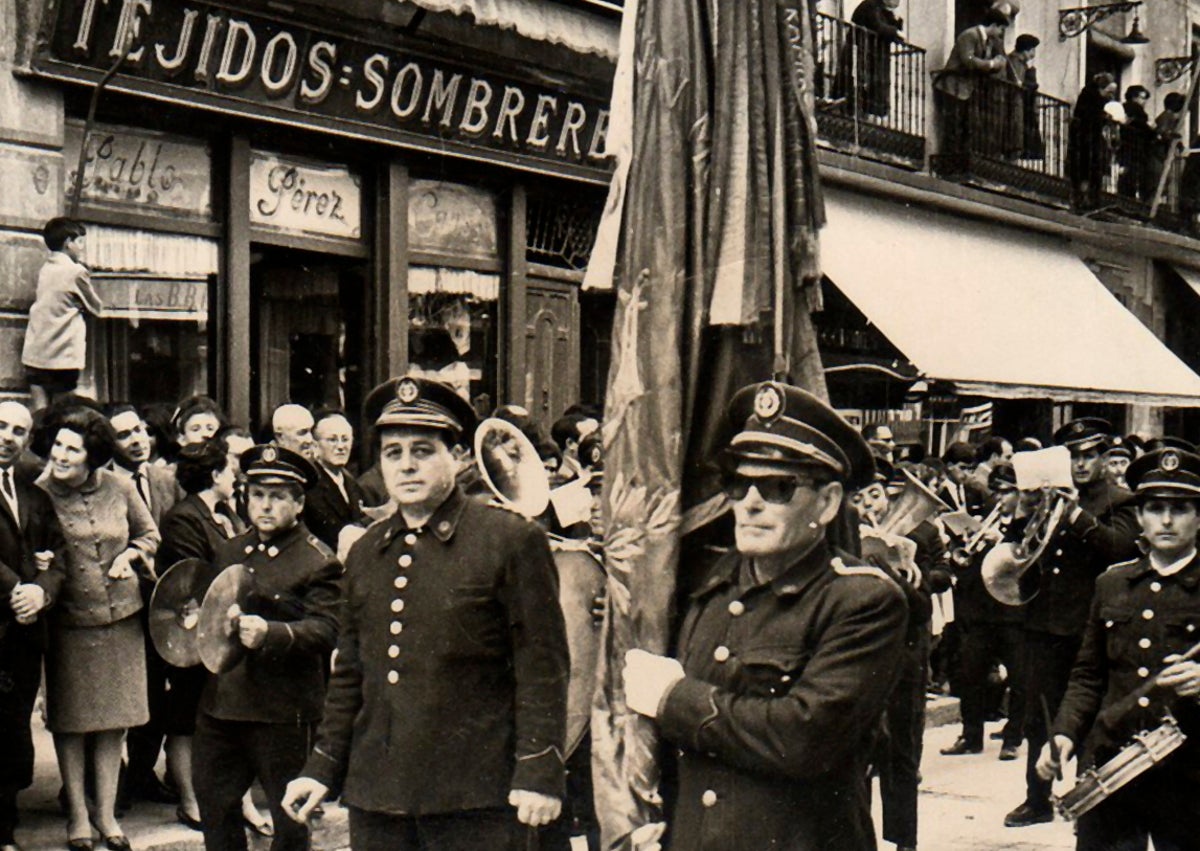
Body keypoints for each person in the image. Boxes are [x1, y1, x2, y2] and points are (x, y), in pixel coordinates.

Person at [619, 381, 908, 850]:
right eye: (738, 483)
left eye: (777, 486)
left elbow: (802, 738)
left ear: (829, 501)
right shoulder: (704, 585)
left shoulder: (861, 601)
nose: (749, 502)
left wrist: (675, 699)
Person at [284, 377, 569, 850]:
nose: (407, 465)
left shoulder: (510, 540)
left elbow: (542, 667)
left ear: (456, 458)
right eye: (392, 453)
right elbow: (351, 673)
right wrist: (321, 767)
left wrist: (539, 770)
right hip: (379, 796)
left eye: (423, 450)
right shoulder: (366, 551)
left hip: (476, 797)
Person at [1037, 446, 1200, 850]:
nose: (1166, 520)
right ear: (1139, 517)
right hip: (1112, 765)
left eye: (1180, 509)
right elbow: (1088, 675)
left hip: (1190, 773)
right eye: (1155, 508)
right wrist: (1064, 735)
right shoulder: (1111, 583)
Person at [192, 444, 340, 851]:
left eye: (278, 497)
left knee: (290, 821)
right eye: (257, 495)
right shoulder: (231, 550)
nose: (266, 506)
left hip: (282, 712)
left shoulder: (318, 560)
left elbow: (328, 629)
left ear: (298, 503)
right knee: (216, 811)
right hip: (222, 707)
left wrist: (272, 634)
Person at [1004, 417, 1140, 827]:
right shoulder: (1050, 497)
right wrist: (1024, 512)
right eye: (1074, 457)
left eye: (1089, 455)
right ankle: (1037, 797)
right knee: (1037, 715)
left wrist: (1074, 513)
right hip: (1043, 622)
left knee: (1087, 715)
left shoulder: (1120, 501)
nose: (1081, 464)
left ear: (1103, 457)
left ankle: (1088, 800)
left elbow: (1119, 547)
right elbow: (1019, 553)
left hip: (1087, 625)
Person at [37, 408, 160, 851]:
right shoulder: (39, 494)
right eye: (58, 445)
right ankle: (77, 817)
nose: (61, 455)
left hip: (122, 623)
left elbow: (150, 535)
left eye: (73, 448)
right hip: (69, 626)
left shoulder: (120, 486)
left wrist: (131, 555)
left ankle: (107, 817)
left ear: (93, 455)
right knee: (71, 726)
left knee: (113, 726)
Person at [856, 460, 951, 851]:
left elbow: (936, 584)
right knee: (855, 755)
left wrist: (915, 576)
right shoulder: (843, 536)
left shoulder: (922, 531)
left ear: (888, 493)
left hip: (906, 658)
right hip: (860, 661)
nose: (870, 507)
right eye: (859, 499)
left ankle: (904, 842)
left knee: (903, 755)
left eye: (875, 495)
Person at [154, 439, 245, 833]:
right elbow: (196, 572)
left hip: (224, 628)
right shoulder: (183, 518)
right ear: (215, 475)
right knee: (186, 714)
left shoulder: (225, 513)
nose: (235, 477)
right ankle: (189, 800)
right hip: (193, 632)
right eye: (230, 470)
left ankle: (230, 800)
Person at [106, 404, 181, 809]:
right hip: (122, 604)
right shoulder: (104, 484)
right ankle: (110, 783)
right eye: (124, 434)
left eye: (140, 430)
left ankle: (141, 775)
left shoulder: (166, 479)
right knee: (120, 696)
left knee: (156, 695)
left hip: (163, 604)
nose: (137, 440)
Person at [0, 401, 65, 851]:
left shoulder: (33, 492)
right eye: (1, 426)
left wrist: (42, 590)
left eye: (19, 431)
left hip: (23, 636)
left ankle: (4, 827)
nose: (8, 436)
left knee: (12, 735)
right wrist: (19, 590)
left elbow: (57, 553)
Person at [942, 463, 1027, 760]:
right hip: (982, 612)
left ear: (1019, 493)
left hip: (1013, 612)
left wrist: (1001, 543)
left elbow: (1025, 565)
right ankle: (970, 735)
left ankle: (1013, 738)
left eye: (1007, 492)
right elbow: (965, 569)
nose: (1000, 498)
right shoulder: (982, 523)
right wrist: (966, 548)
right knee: (970, 672)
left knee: (1019, 675)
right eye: (997, 491)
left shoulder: (1027, 526)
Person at [21, 218, 102, 412]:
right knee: (62, 413)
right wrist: (80, 307)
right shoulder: (76, 271)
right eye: (79, 242)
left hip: (36, 352)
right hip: (62, 356)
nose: (81, 248)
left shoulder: (45, 269)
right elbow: (96, 308)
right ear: (68, 242)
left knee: (40, 411)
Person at [933, 11, 1010, 162]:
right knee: (953, 127)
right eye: (1001, 29)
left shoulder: (987, 41)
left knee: (963, 127)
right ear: (993, 25)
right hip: (952, 88)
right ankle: (947, 163)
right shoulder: (970, 35)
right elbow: (968, 60)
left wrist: (997, 63)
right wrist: (991, 63)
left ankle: (956, 162)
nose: (1001, 34)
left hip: (965, 90)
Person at [303, 410, 365, 551]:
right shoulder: (309, 485)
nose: (340, 446)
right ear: (315, 446)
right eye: (332, 440)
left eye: (345, 439)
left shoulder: (352, 483)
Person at [836, 0, 905, 119]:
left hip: (872, 59)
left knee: (870, 91)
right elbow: (878, 26)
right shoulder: (870, 5)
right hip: (860, 54)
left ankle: (865, 112)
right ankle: (853, 111)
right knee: (857, 87)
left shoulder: (883, 11)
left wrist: (897, 19)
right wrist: (896, 32)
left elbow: (897, 37)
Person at [1068, 73, 1120, 211]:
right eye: (1108, 91)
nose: (1109, 95)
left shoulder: (1093, 96)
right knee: (1086, 167)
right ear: (1102, 87)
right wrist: (1104, 116)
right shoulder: (1091, 97)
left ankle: (1087, 197)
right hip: (1085, 138)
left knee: (1090, 168)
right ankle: (1084, 198)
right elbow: (1091, 116)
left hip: (1089, 137)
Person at [1003, 34, 1042, 160]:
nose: (1033, 54)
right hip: (1014, 106)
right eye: (1032, 50)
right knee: (1014, 138)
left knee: (1017, 139)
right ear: (1026, 49)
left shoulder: (1021, 64)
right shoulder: (1014, 62)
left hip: (1020, 107)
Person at [1117, 85, 1155, 201]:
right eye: (1142, 98)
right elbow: (1142, 127)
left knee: (1127, 172)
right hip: (1134, 146)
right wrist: (1152, 132)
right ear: (1134, 97)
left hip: (1127, 146)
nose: (1144, 102)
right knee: (1133, 173)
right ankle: (1130, 197)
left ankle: (1126, 195)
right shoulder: (1135, 110)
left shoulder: (1124, 108)